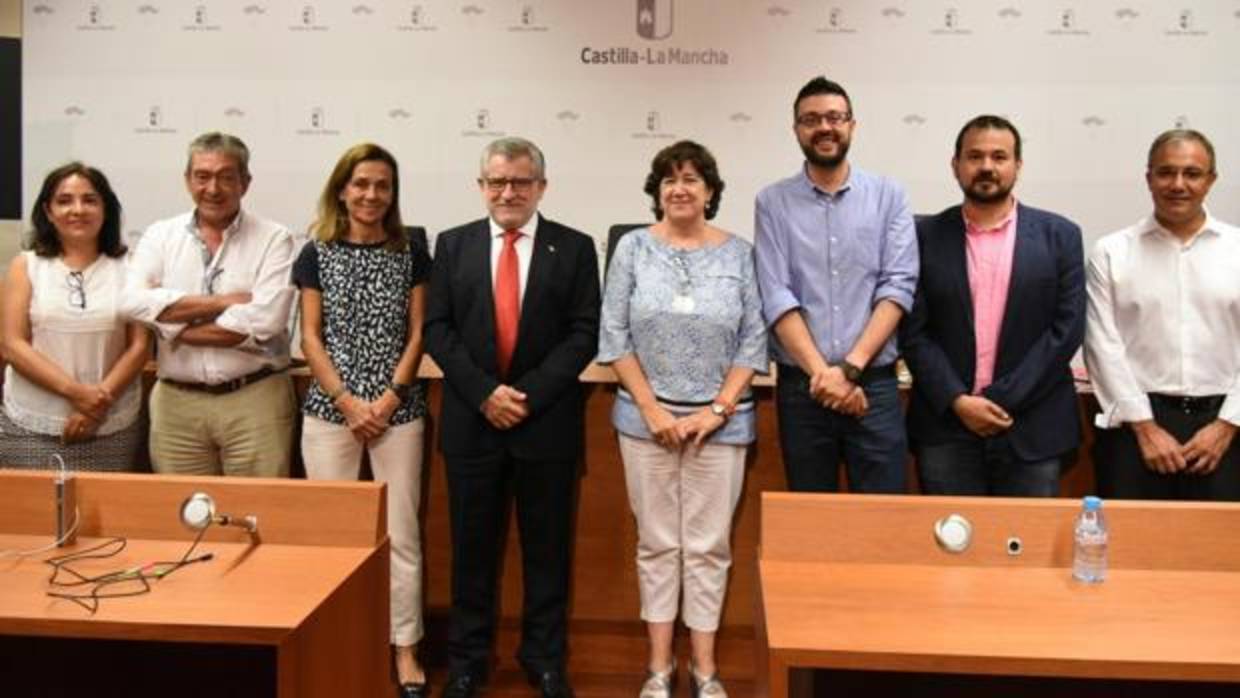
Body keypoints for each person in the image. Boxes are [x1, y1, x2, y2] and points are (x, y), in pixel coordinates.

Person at [424, 137, 600, 698]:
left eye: (521, 182)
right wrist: (485, 395)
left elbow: (583, 333)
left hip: (545, 426)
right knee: (472, 552)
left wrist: (523, 395)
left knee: (548, 552)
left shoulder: (573, 248)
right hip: (473, 425)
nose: (508, 192)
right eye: (497, 182)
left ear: (541, 187)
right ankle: (469, 661)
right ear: (481, 187)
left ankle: (545, 658)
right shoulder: (452, 246)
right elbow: (438, 331)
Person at [598, 141, 766, 698]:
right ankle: (658, 669)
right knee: (657, 544)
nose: (681, 188)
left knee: (709, 547)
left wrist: (715, 410)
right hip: (645, 424)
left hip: (721, 426)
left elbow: (754, 340)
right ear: (657, 191)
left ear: (711, 191)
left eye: (693, 178)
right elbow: (614, 335)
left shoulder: (740, 254)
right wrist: (651, 408)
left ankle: (706, 669)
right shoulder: (632, 249)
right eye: (670, 179)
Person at [291, 143, 430, 697]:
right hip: (331, 413)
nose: (372, 195)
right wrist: (348, 401)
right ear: (342, 189)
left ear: (393, 194)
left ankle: (405, 650)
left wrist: (391, 397)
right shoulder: (316, 251)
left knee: (401, 535)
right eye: (362, 184)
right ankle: (334, 639)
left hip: (400, 413)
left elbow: (418, 332)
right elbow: (310, 336)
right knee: (333, 537)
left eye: (383, 186)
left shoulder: (412, 250)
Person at [900, 115, 1085, 496]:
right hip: (946, 427)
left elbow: (1065, 331)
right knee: (952, 546)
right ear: (956, 165)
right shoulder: (923, 236)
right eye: (975, 156)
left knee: (1027, 548)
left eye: (999, 157)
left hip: (1032, 426)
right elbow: (913, 331)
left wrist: (997, 399)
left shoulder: (1060, 235)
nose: (986, 166)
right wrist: (958, 400)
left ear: (1018, 165)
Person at [754, 76, 918, 493]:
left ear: (852, 125)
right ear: (796, 131)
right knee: (812, 524)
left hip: (875, 387)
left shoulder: (888, 195)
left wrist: (849, 370)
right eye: (811, 119)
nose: (824, 127)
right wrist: (824, 376)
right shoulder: (772, 202)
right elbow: (776, 294)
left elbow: (897, 287)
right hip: (801, 388)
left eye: (834, 117)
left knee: (882, 523)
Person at [121, 132, 297, 477]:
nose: (213, 188)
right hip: (177, 405)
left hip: (255, 399)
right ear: (188, 180)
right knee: (184, 517)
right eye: (202, 176)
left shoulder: (274, 238)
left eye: (226, 177)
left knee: (258, 515)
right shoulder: (159, 235)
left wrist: (168, 325)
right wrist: (224, 302)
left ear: (245, 183)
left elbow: (265, 321)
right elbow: (130, 303)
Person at [1085, 129, 1240, 500]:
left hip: (1228, 426)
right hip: (1135, 432)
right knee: (1132, 550)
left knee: (1222, 555)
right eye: (1166, 172)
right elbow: (1102, 346)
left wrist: (1225, 425)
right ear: (1149, 178)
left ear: (1211, 180)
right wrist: (1145, 429)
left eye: (1192, 173)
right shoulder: (1112, 251)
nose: (1178, 184)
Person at [0, 163, 149, 470]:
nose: (77, 209)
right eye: (64, 200)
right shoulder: (25, 266)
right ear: (48, 211)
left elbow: (139, 347)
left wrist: (96, 406)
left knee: (108, 516)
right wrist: (79, 394)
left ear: (106, 209)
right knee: (31, 516)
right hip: (31, 425)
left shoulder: (132, 266)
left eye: (90, 200)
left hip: (111, 424)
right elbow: (11, 344)